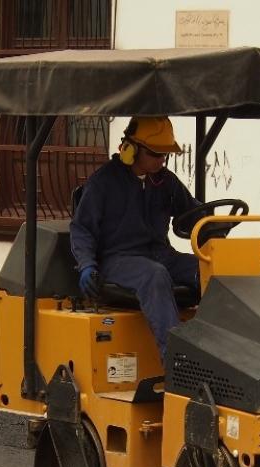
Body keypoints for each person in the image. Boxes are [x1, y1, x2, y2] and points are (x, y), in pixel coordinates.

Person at [70, 116, 202, 356]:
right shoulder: (104, 182)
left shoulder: (165, 181)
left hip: (161, 255)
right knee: (154, 275)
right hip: (117, 259)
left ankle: (221, 357)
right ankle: (177, 363)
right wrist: (87, 264)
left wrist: (214, 223)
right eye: (155, 154)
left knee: (208, 272)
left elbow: (192, 212)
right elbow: (82, 228)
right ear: (131, 149)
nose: (162, 160)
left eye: (165, 155)